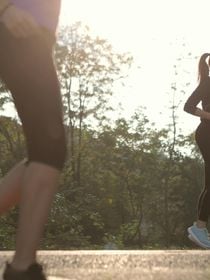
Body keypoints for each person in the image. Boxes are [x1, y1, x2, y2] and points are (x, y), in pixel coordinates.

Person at [0, 0, 66, 279]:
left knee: (44, 150)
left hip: (29, 37)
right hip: (18, 31)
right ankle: (22, 267)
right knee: (48, 150)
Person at [184, 53, 210, 249]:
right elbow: (188, 106)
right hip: (206, 133)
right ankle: (199, 228)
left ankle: (200, 228)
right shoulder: (207, 83)